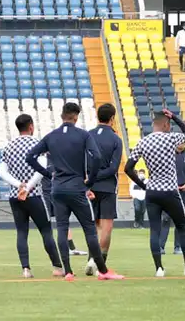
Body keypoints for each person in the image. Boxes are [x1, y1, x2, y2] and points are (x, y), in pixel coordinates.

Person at [27, 102, 123, 281]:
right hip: (77, 188)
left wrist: (48, 174)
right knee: (90, 230)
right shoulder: (83, 135)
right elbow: (96, 157)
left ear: (62, 116)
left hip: (58, 188)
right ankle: (103, 271)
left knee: (62, 229)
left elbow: (30, 157)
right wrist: (90, 180)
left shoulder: (51, 136)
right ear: (76, 117)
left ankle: (68, 271)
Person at [124, 109, 185, 277]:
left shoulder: (143, 142)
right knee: (182, 227)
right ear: (166, 125)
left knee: (155, 230)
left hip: (153, 191)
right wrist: (175, 117)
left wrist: (143, 185)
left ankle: (159, 268)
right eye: (169, 124)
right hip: (170, 191)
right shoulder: (170, 138)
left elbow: (128, 168)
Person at [0, 114, 64, 279]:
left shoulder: (9, 146)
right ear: (31, 126)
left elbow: (2, 172)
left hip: (15, 195)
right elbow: (41, 170)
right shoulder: (37, 144)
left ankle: (26, 269)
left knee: (21, 232)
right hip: (35, 194)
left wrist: (18, 185)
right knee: (46, 231)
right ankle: (57, 266)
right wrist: (27, 187)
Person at [84, 103, 123, 276]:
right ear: (112, 118)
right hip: (107, 187)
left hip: (89, 187)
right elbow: (113, 168)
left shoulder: (88, 135)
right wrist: (98, 176)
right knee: (107, 226)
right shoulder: (116, 139)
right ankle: (99, 263)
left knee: (92, 226)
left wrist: (90, 178)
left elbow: (83, 162)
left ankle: (91, 258)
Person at [160, 140, 185, 256]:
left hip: (184, 192)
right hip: (169, 191)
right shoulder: (167, 156)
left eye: (183, 142)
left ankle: (177, 247)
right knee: (166, 219)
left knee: (180, 220)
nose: (180, 144)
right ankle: (161, 246)